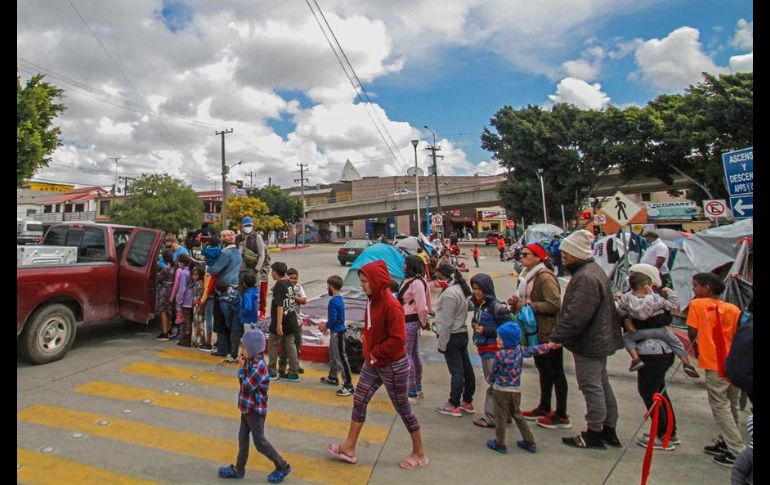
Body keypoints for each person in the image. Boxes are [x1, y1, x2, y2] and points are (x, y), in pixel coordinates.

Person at [326, 260, 428, 470]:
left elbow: (398, 340)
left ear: (378, 281)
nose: (362, 285)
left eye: (365, 281)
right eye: (362, 281)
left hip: (393, 365)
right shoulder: (371, 301)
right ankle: (349, 446)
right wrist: (369, 353)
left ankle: (419, 453)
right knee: (360, 398)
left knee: (403, 408)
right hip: (373, 363)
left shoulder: (392, 305)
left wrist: (375, 353)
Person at [549, 229, 623, 450]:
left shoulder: (585, 278)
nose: (563, 258)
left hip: (590, 341)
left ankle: (594, 433)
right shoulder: (593, 271)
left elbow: (576, 315)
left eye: (566, 254)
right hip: (599, 338)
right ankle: (608, 428)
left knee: (591, 386)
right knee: (601, 384)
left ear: (577, 254)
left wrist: (557, 336)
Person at [508, 243, 571, 430]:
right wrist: (517, 303)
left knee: (555, 371)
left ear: (538, 257)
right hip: (534, 329)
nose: (522, 257)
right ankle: (544, 406)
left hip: (548, 330)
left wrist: (527, 306)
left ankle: (561, 413)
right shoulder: (527, 276)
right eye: (522, 254)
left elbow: (554, 304)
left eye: (526, 254)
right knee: (543, 369)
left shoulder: (544, 277)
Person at [217, 327, 291, 483]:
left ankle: (282, 465)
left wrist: (241, 370)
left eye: (243, 348)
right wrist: (244, 366)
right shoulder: (251, 362)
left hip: (255, 411)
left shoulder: (259, 367)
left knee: (260, 442)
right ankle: (239, 469)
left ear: (252, 350)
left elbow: (246, 386)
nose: (241, 351)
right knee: (242, 438)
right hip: (246, 408)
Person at [686, 272, 745, 467]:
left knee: (720, 405)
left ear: (706, 288)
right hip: (733, 361)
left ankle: (737, 450)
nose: (693, 290)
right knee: (732, 403)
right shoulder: (733, 308)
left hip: (714, 362)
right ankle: (728, 441)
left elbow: (692, 331)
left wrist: (697, 350)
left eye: (695, 286)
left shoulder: (697, 305)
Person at [486, 322, 559, 454]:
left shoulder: (500, 354)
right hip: (515, 390)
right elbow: (535, 350)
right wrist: (549, 346)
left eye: (499, 337)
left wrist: (490, 380)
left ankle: (500, 442)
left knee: (500, 417)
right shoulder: (520, 350)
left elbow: (494, 371)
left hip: (501, 390)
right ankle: (529, 441)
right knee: (518, 415)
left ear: (506, 340)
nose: (497, 339)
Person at [617, 271, 699, 377]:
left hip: (639, 332)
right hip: (661, 331)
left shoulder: (627, 298)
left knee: (627, 339)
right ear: (648, 286)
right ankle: (686, 364)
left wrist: (625, 315)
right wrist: (671, 293)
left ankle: (636, 359)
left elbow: (621, 308)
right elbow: (671, 305)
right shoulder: (655, 298)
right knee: (676, 343)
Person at [469, 273, 516, 428]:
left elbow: (508, 329)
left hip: (493, 351)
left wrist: (486, 331)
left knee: (494, 384)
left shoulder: (496, 307)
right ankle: (505, 414)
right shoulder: (481, 305)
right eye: (474, 288)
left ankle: (492, 417)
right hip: (484, 348)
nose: (476, 292)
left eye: (479, 289)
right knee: (498, 384)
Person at [433, 264, 475, 417]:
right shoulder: (460, 290)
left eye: (439, 276)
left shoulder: (451, 293)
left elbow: (447, 322)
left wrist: (442, 343)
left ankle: (454, 403)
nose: (438, 280)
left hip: (453, 335)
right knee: (466, 369)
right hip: (461, 333)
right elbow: (470, 306)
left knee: (457, 372)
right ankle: (467, 400)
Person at [397, 255, 431, 403]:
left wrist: (423, 322)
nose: (403, 266)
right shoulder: (411, 281)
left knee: (407, 356)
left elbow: (422, 306)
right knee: (413, 354)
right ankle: (416, 387)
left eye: (405, 263)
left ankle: (411, 391)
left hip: (409, 321)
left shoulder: (417, 283)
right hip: (407, 320)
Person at [209, 230, 243, 359]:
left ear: (223, 241)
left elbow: (214, 270)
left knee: (220, 320)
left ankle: (223, 349)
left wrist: (207, 266)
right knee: (231, 320)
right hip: (234, 289)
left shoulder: (225, 253)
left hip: (222, 289)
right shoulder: (238, 254)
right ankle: (230, 349)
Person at [320, 275, 354, 397]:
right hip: (337, 331)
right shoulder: (339, 299)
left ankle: (348, 385)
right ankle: (333, 377)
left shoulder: (333, 302)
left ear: (331, 286)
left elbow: (333, 319)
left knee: (340, 358)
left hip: (337, 333)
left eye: (328, 286)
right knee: (334, 355)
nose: (327, 288)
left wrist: (325, 326)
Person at [268, 262, 300, 382]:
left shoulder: (279, 285)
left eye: (272, 271)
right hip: (291, 319)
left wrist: (278, 324)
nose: (272, 274)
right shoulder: (288, 283)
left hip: (282, 320)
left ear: (275, 272)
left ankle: (271, 371)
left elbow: (279, 305)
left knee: (272, 343)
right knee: (290, 345)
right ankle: (293, 371)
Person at [236, 216, 270, 321]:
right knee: (240, 296)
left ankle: (253, 319)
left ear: (253, 226)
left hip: (252, 271)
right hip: (240, 272)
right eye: (246, 225)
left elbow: (262, 255)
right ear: (242, 226)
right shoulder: (238, 238)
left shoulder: (257, 237)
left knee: (253, 297)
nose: (248, 227)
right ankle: (241, 318)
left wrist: (257, 269)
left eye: (249, 225)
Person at [281, 268, 306, 375]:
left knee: (296, 345)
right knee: (284, 346)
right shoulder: (282, 286)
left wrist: (294, 297)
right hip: (285, 321)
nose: (294, 280)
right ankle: (282, 366)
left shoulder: (298, 287)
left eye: (296, 278)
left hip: (297, 321)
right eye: (291, 278)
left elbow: (304, 300)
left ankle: (295, 364)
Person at [170, 253, 195, 346]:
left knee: (185, 320)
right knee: (189, 319)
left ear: (181, 262)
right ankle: (187, 338)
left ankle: (186, 339)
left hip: (185, 300)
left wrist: (179, 300)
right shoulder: (190, 271)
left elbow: (182, 288)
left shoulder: (183, 273)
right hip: (191, 297)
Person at [155, 249, 176, 341]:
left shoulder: (165, 270)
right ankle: (169, 329)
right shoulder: (174, 268)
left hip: (164, 290)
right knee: (168, 311)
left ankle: (164, 332)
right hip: (171, 290)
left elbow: (159, 279)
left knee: (162, 311)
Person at [191, 265, 206, 348]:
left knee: (199, 323)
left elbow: (199, 296)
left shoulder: (199, 284)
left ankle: (199, 341)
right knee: (197, 323)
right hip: (196, 305)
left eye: (196, 274)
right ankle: (198, 340)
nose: (194, 276)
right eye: (193, 274)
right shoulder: (198, 283)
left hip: (198, 305)